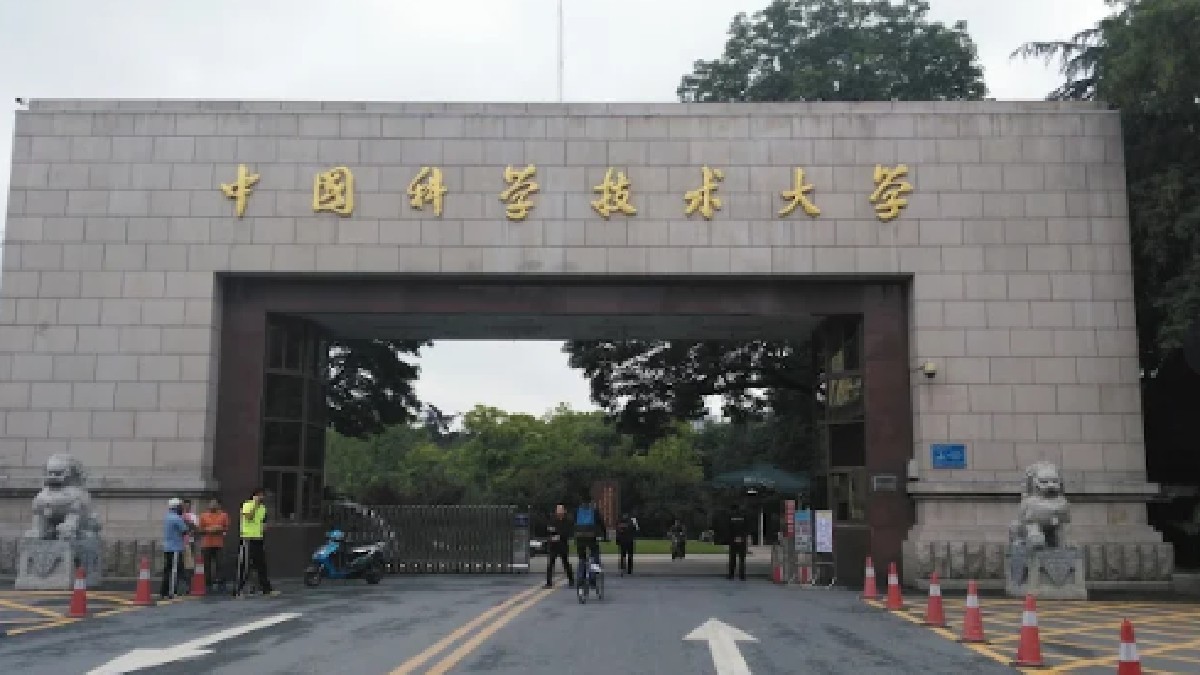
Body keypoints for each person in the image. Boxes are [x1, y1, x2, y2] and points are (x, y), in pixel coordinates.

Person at [234, 488, 278, 598]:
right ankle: (238, 591)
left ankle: (266, 589)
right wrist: (254, 504)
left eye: (262, 495)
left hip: (258, 538)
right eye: (259, 495)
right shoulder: (247, 505)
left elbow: (263, 521)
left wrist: (264, 527)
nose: (261, 497)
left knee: (261, 565)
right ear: (254, 496)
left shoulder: (263, 508)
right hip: (248, 538)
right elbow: (248, 517)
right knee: (245, 565)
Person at [159, 498, 190, 599]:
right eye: (180, 507)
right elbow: (185, 530)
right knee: (174, 570)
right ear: (176, 507)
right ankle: (171, 592)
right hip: (175, 548)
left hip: (168, 547)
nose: (182, 508)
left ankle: (164, 591)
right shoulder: (176, 518)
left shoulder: (167, 517)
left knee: (168, 569)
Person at [573, 494, 607, 584]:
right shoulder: (594, 511)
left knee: (582, 558)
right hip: (591, 537)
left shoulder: (577, 511)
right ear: (590, 502)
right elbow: (601, 524)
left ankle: (581, 577)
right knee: (595, 554)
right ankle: (592, 576)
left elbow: (573, 523)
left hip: (579, 537)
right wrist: (605, 535)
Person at [198, 500, 229, 593]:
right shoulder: (203, 516)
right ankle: (208, 584)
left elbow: (226, 528)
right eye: (211, 504)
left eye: (215, 504)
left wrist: (219, 529)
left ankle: (221, 583)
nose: (213, 506)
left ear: (218, 506)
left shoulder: (224, 515)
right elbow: (200, 530)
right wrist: (208, 530)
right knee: (207, 565)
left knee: (220, 564)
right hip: (206, 544)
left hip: (218, 544)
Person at [543, 504, 574, 589]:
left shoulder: (567, 521)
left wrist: (558, 534)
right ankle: (549, 582)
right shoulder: (553, 520)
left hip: (563, 545)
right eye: (558, 510)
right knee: (550, 564)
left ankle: (571, 580)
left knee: (566, 563)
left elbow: (566, 532)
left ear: (564, 511)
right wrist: (554, 534)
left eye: (561, 510)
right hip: (554, 545)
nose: (559, 511)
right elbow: (549, 530)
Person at [725, 503, 750, 581]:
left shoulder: (730, 517)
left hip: (733, 539)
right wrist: (743, 537)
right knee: (742, 559)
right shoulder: (744, 516)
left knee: (732, 558)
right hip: (742, 539)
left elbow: (728, 528)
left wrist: (730, 538)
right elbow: (747, 528)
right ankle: (742, 576)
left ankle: (731, 575)